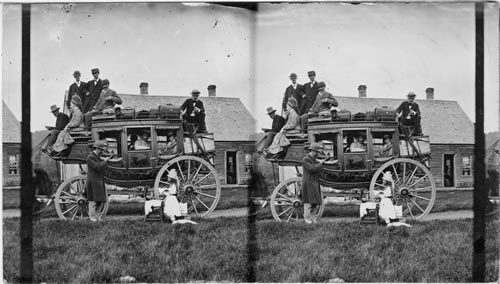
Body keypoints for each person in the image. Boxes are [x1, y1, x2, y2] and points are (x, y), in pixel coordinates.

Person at [87, 140, 110, 222]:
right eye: (101, 150)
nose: (102, 151)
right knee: (93, 201)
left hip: (98, 181)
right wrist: (105, 161)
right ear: (97, 149)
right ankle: (92, 218)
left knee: (100, 200)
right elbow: (97, 167)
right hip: (93, 182)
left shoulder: (96, 157)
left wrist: (104, 160)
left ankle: (98, 217)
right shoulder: (90, 157)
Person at [302, 142, 325, 224]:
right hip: (308, 183)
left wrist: (319, 162)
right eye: (317, 152)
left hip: (314, 182)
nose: (318, 154)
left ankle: (313, 219)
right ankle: (308, 220)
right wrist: (321, 163)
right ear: (313, 151)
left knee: (315, 202)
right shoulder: (306, 159)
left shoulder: (312, 159)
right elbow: (312, 169)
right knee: (308, 203)